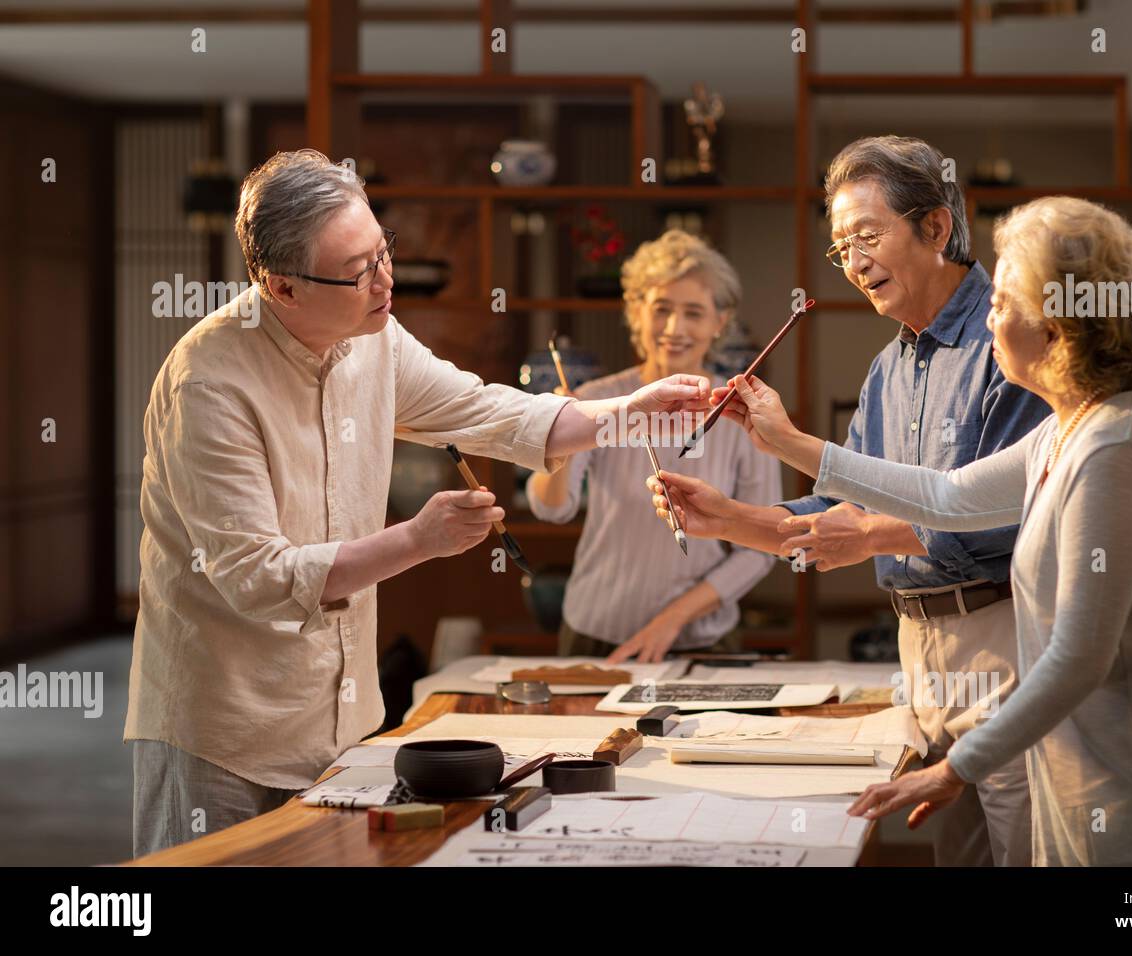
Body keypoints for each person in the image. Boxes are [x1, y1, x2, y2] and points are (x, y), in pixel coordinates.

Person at [668, 195, 1132, 866]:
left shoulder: (1119, 448)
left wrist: (953, 769)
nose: (988, 312)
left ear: (1057, 329)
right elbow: (945, 496)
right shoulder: (1071, 426)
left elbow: (1080, 659)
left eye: (1005, 299)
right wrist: (789, 445)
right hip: (1106, 765)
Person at [124, 149, 711, 856]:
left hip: (340, 721)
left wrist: (631, 413)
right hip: (223, 730)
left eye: (384, 251)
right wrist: (417, 539)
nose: (385, 281)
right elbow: (256, 576)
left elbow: (487, 411)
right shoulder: (210, 385)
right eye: (358, 271)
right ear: (281, 287)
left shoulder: (374, 337)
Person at [648, 136, 1051, 866]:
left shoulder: (1008, 337)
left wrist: (865, 533)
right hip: (920, 647)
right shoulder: (886, 369)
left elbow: (1010, 519)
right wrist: (729, 518)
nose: (855, 262)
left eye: (868, 235)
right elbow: (835, 510)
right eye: (841, 247)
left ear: (934, 226)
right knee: (961, 858)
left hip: (1006, 634)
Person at [527, 231, 779, 664]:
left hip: (703, 643)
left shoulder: (740, 411)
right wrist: (558, 432)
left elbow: (760, 545)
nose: (674, 328)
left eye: (694, 313)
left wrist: (672, 619)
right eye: (661, 309)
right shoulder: (595, 398)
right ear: (636, 312)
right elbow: (552, 509)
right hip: (595, 636)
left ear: (720, 322)